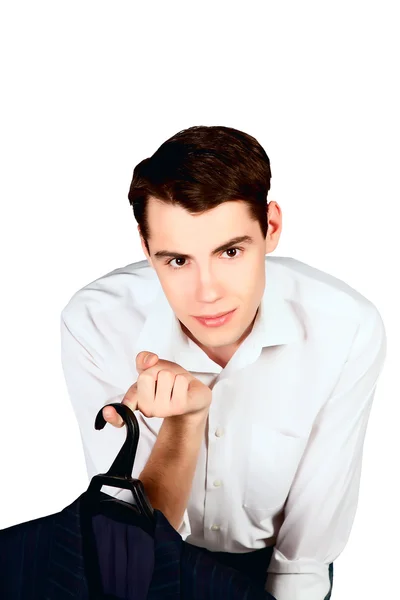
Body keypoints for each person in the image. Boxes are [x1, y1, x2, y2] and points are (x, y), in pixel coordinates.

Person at [60, 125, 387, 600]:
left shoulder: (345, 328)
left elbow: (304, 561)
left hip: (275, 565)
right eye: (177, 261)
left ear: (270, 227)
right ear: (145, 246)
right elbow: (129, 542)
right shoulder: (97, 322)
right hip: (153, 562)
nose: (207, 292)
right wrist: (183, 423)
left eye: (230, 251)